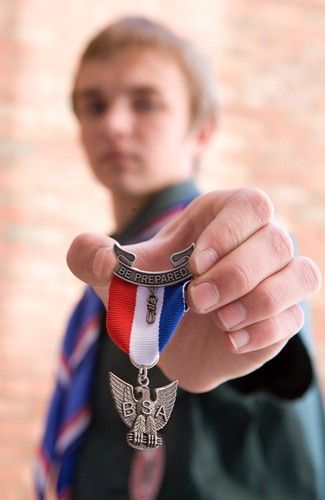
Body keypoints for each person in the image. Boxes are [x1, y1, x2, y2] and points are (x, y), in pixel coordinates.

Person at [36, 16, 325, 500]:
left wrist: (247, 324)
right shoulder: (107, 276)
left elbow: (282, 401)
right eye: (94, 105)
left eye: (146, 102)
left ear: (203, 131)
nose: (114, 124)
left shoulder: (225, 252)